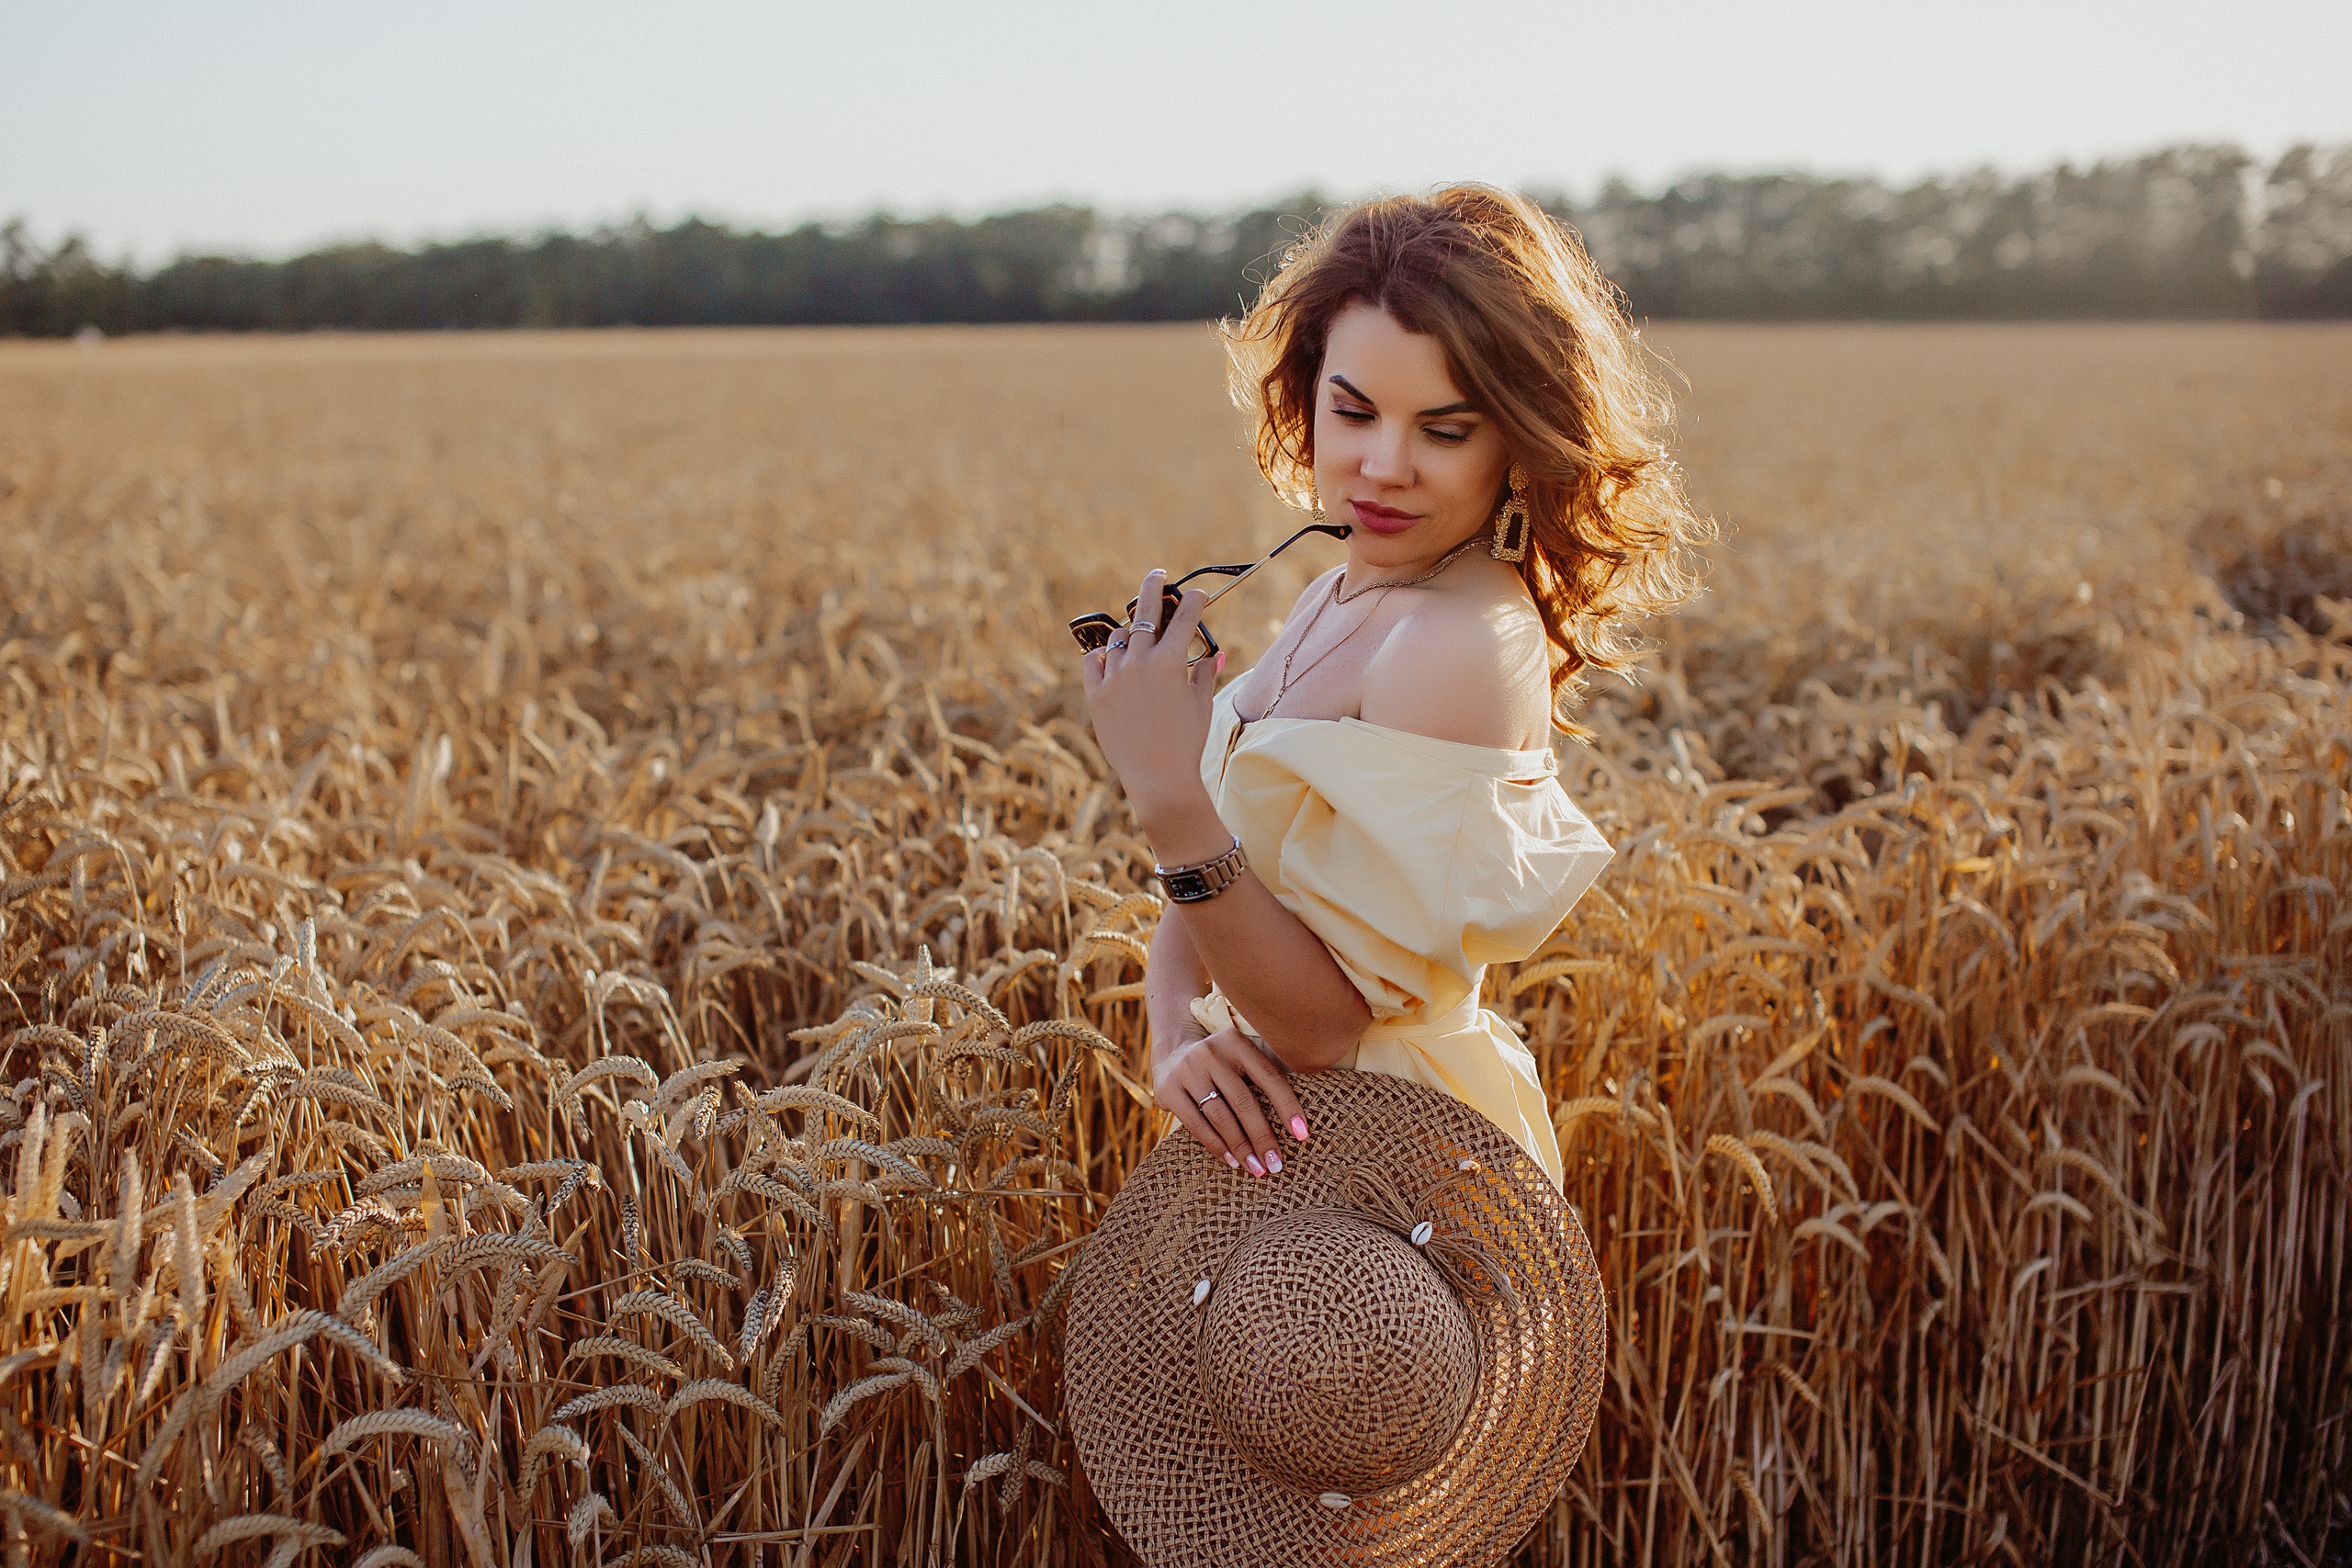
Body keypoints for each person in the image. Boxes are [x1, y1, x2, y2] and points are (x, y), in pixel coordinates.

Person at [1079, 185, 1708, 1186]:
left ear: (1519, 440)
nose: (1382, 466)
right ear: (1306, 393)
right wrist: (1172, 1041)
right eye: (1353, 411)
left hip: (1385, 1168)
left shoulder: (1456, 642)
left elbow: (1325, 1025)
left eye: (1444, 430)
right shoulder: (1337, 591)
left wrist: (1166, 797)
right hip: (1266, 1139)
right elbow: (1226, 883)